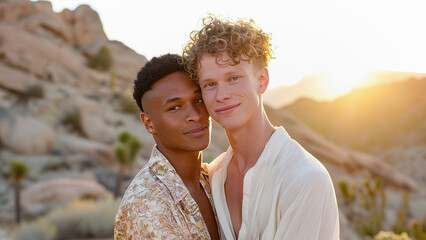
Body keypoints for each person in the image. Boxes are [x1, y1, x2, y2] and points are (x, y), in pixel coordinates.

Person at [183, 15, 340, 239]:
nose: (222, 95)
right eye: (210, 84)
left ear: (262, 80)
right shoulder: (213, 176)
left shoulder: (304, 179)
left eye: (233, 78)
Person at [114, 54, 220, 240]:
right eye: (175, 108)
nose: (195, 115)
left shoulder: (214, 180)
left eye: (198, 100)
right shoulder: (146, 206)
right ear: (149, 123)